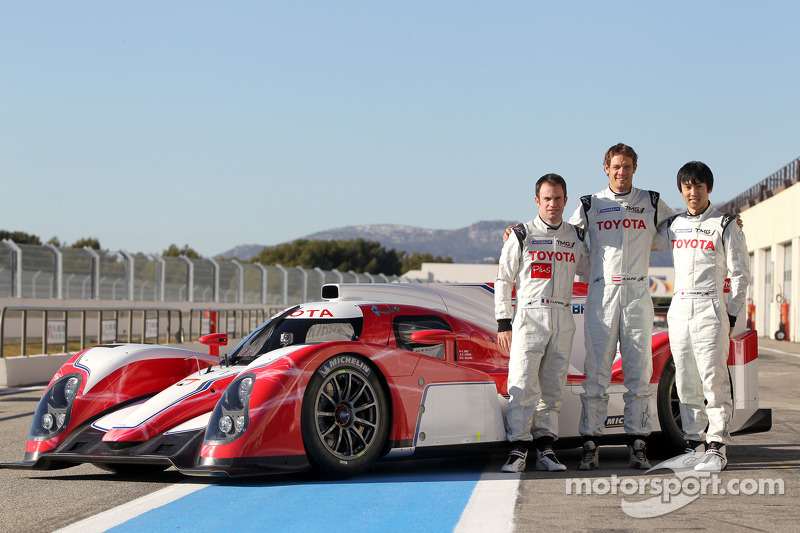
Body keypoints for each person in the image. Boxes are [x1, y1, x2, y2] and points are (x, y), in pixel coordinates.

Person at [504, 143, 675, 470]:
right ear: (606, 168)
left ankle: (638, 444)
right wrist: (516, 234)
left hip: (638, 291)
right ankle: (590, 444)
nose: (621, 172)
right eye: (616, 166)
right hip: (602, 292)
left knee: (639, 374)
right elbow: (562, 237)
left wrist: (719, 225)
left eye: (627, 166)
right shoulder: (588, 205)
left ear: (635, 168)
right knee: (596, 374)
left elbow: (677, 233)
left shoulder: (651, 201)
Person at [659, 161, 750, 472]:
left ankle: (717, 446)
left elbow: (740, 275)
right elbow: (637, 236)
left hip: (711, 307)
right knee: (685, 381)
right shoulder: (673, 225)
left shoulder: (725, 224)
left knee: (713, 379)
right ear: (681, 190)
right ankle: (694, 444)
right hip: (680, 307)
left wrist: (732, 314)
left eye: (698, 186)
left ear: (708, 188)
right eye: (687, 186)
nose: (692, 192)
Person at [495, 173, 589, 473]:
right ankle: (518, 449)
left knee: (552, 386)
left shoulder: (575, 236)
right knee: (522, 382)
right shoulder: (521, 234)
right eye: (547, 198)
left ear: (565, 200)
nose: (553, 204)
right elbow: (503, 279)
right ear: (537, 201)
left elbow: (591, 270)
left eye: (558, 198)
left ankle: (546, 448)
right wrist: (503, 322)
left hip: (563, 315)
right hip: (529, 316)